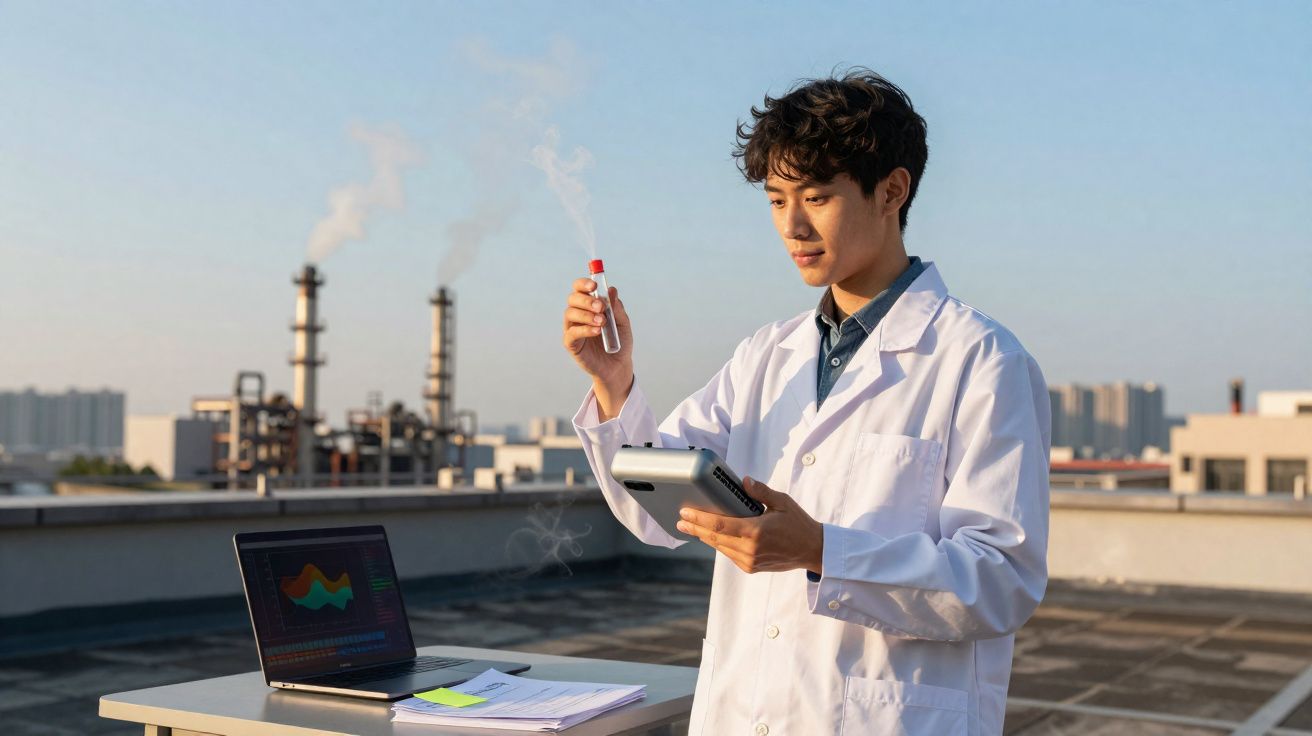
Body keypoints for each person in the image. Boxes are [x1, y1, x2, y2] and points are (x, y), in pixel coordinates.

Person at [562, 70, 1050, 735]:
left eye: (817, 197)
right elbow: (658, 516)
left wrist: (822, 549)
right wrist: (614, 386)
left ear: (892, 191)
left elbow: (1001, 581)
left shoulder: (981, 359)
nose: (792, 225)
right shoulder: (767, 355)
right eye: (775, 199)